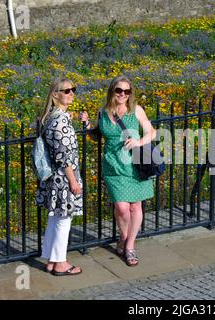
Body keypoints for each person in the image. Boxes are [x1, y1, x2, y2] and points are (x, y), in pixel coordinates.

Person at [80, 75, 156, 266]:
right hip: (113, 164)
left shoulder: (136, 110)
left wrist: (139, 141)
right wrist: (86, 125)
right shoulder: (103, 111)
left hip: (134, 164)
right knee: (122, 208)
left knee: (135, 206)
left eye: (127, 91)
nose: (123, 94)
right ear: (112, 91)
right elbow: (97, 136)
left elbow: (151, 131)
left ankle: (129, 246)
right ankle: (123, 237)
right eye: (119, 90)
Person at [35, 77, 83, 276]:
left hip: (53, 178)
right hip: (63, 178)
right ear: (55, 95)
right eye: (67, 91)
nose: (71, 93)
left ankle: (51, 260)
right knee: (64, 219)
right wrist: (73, 181)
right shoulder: (60, 120)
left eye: (73, 90)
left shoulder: (50, 117)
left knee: (55, 218)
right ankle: (61, 263)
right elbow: (63, 155)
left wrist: (72, 116)